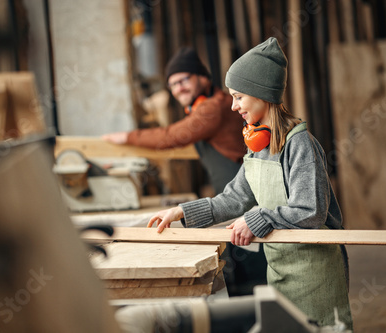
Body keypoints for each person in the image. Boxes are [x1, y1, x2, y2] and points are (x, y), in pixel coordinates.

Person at [147, 37, 353, 329]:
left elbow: (311, 210)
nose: (233, 107)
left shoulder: (300, 145)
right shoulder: (257, 146)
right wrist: (181, 212)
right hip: (280, 267)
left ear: (261, 94)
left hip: (314, 270)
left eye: (239, 97)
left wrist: (257, 218)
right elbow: (234, 198)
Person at [102, 47, 245, 194]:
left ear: (202, 77)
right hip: (235, 189)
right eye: (173, 85)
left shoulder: (213, 108)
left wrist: (127, 137)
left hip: (242, 191)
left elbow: (170, 136)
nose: (179, 89)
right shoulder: (212, 102)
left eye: (183, 80)